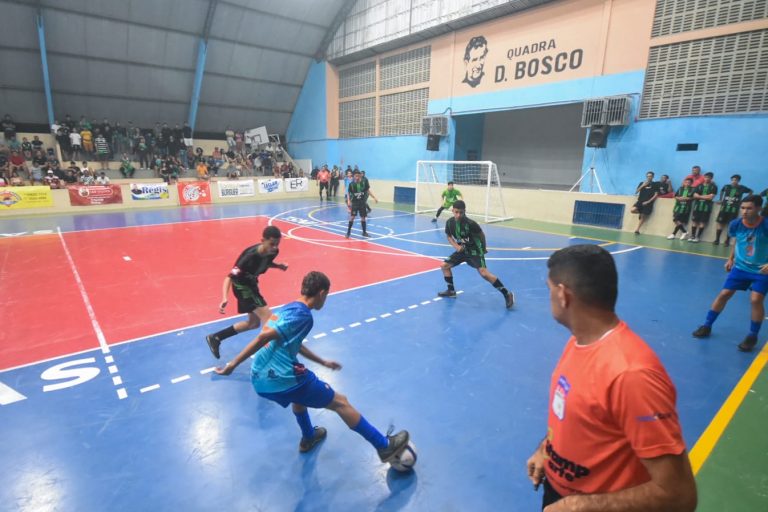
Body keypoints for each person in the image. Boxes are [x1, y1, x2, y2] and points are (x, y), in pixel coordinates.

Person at [526, 244, 697, 511]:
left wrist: (580, 506)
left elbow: (678, 494)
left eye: (549, 289)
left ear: (562, 295)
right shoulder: (579, 342)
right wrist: (545, 448)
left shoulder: (632, 375)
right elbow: (577, 417)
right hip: (561, 496)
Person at [213, 271, 411, 460]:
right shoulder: (303, 316)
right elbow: (264, 336)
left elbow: (293, 342)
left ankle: (309, 437)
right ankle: (384, 446)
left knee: (299, 396)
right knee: (340, 402)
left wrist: (322, 361)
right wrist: (232, 364)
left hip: (260, 379)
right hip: (280, 377)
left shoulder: (288, 309)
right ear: (322, 293)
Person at [692, 195, 768, 352]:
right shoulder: (736, 224)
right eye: (743, 208)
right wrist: (730, 259)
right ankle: (707, 325)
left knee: (755, 300)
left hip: (761, 270)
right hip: (740, 267)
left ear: (759, 208)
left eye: (749, 208)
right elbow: (738, 241)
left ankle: (752, 335)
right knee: (724, 294)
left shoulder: (765, 225)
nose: (745, 211)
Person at [205, 226, 289, 359]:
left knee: (253, 324)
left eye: (277, 244)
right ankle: (272, 357)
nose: (274, 247)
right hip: (242, 288)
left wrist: (278, 266)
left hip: (252, 285)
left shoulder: (274, 251)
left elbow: (267, 262)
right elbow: (229, 277)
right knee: (270, 320)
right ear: (262, 240)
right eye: (272, 244)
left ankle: (216, 337)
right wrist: (224, 298)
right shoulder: (248, 256)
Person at [438, 200, 514, 309]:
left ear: (464, 211)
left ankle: (507, 294)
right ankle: (451, 291)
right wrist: (456, 246)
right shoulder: (450, 223)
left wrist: (483, 248)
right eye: (456, 212)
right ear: (452, 210)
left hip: (474, 251)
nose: (458, 215)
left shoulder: (471, 224)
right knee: (444, 266)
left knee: (484, 273)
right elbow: (449, 236)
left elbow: (481, 235)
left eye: (461, 212)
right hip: (462, 250)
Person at [714, 174, 752, 246]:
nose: (734, 181)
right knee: (720, 223)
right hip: (724, 208)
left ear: (738, 181)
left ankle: (727, 241)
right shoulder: (726, 186)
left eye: (736, 180)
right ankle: (717, 239)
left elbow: (751, 191)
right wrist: (720, 199)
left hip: (733, 209)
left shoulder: (742, 188)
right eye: (733, 180)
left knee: (731, 224)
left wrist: (744, 200)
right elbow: (722, 191)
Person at [345, 170, 378, 238]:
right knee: (352, 217)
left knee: (363, 218)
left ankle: (364, 232)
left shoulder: (363, 183)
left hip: (362, 203)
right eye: (356, 176)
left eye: (358, 176)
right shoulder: (351, 184)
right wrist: (348, 200)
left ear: (360, 176)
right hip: (355, 203)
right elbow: (348, 192)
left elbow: (368, 191)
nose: (357, 177)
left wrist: (374, 197)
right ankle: (348, 232)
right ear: (353, 176)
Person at [689, 172, 717, 243]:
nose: (706, 179)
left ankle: (698, 237)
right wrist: (705, 196)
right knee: (694, 221)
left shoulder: (714, 187)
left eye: (708, 177)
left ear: (711, 178)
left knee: (702, 222)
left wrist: (700, 196)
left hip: (706, 207)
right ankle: (692, 236)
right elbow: (694, 195)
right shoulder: (699, 185)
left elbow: (711, 197)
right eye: (705, 177)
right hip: (697, 206)